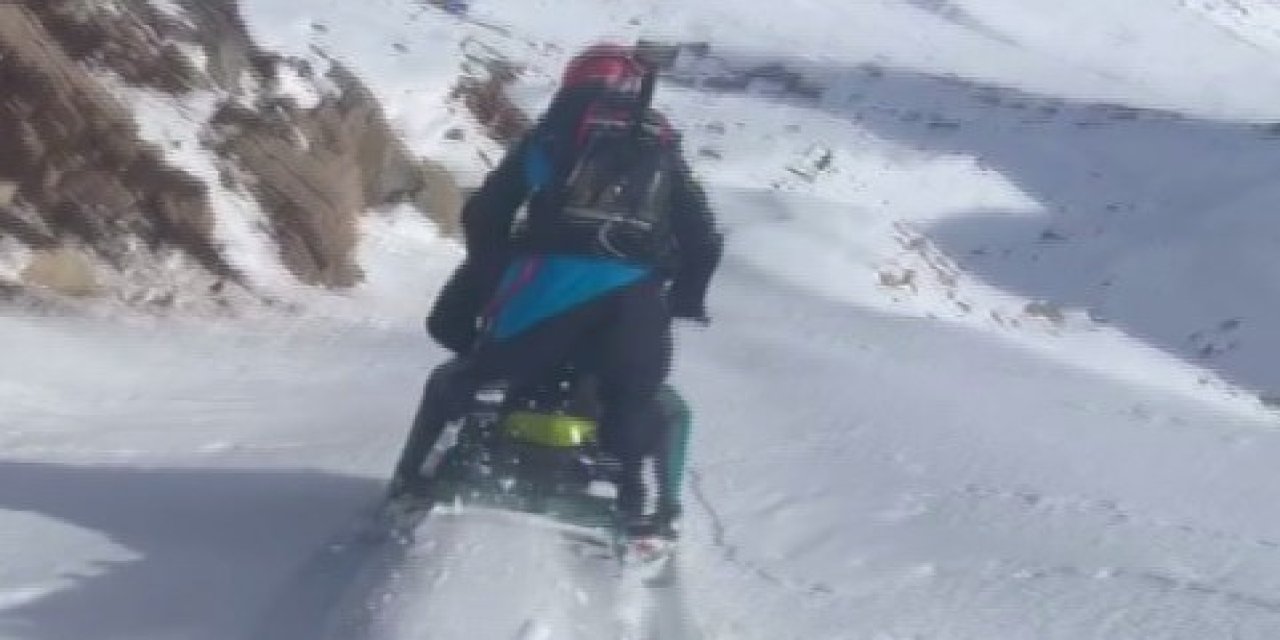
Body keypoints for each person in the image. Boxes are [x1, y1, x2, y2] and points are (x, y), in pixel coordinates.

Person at [391, 43, 721, 540]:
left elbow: (485, 215)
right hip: (633, 311)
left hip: (537, 299)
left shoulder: (548, 139)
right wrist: (684, 299)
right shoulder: (661, 150)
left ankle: (412, 486)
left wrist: (493, 269)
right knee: (648, 402)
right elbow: (702, 238)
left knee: (457, 379)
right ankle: (647, 509)